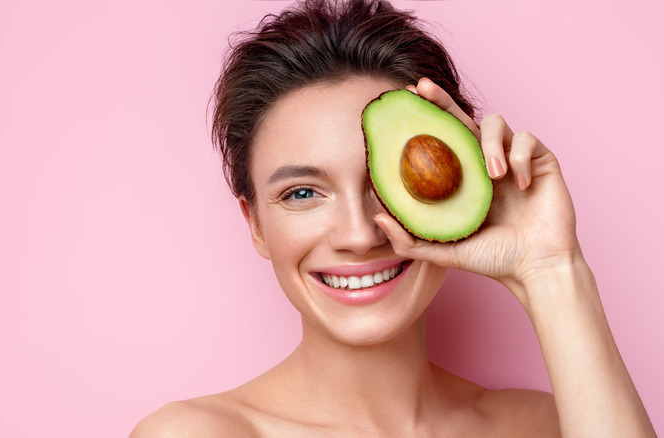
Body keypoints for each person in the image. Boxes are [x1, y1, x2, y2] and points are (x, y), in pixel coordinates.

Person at [131, 0, 656, 436]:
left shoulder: (540, 425)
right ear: (255, 224)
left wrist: (551, 267)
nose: (359, 236)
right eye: (303, 193)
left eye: (385, 185)